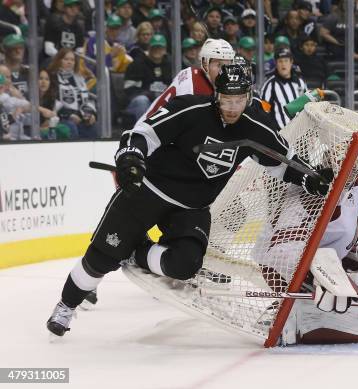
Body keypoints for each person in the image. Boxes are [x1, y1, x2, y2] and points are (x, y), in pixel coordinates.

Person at [46, 65, 332, 337]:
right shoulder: (190, 109)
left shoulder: (255, 124)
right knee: (100, 259)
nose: (232, 107)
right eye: (226, 99)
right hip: (150, 191)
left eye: (239, 100)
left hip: (193, 207)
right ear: (216, 95)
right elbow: (143, 133)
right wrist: (131, 158)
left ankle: (136, 253)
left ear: (249, 96)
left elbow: (283, 160)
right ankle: (66, 307)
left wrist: (309, 178)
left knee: (185, 265)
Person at [134, 38, 235, 125]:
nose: (225, 71)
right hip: (149, 139)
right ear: (205, 64)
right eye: (219, 65)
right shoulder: (195, 86)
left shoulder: (195, 75)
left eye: (229, 65)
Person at [46, 48, 98, 139]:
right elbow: (51, 101)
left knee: (95, 128)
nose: (69, 62)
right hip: (61, 117)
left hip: (80, 116)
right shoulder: (52, 77)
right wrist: (69, 115)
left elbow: (88, 100)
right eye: (66, 59)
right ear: (59, 60)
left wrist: (90, 114)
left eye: (72, 60)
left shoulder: (79, 78)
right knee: (71, 127)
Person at [124, 34, 173, 122]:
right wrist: (148, 94)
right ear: (149, 48)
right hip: (140, 103)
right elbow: (129, 90)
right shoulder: (137, 64)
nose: (157, 50)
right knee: (142, 100)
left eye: (160, 47)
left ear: (165, 49)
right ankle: (144, 132)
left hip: (163, 102)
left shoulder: (170, 65)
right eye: (154, 47)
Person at [261, 47, 307, 128]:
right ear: (276, 63)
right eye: (280, 61)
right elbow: (264, 111)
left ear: (291, 62)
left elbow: (307, 105)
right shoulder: (270, 85)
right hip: (281, 133)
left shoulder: (300, 82)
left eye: (286, 60)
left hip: (301, 130)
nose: (283, 64)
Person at [2, 34, 29, 99]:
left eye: (21, 48)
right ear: (5, 49)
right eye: (14, 48)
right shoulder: (1, 71)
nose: (18, 51)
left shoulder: (28, 71)